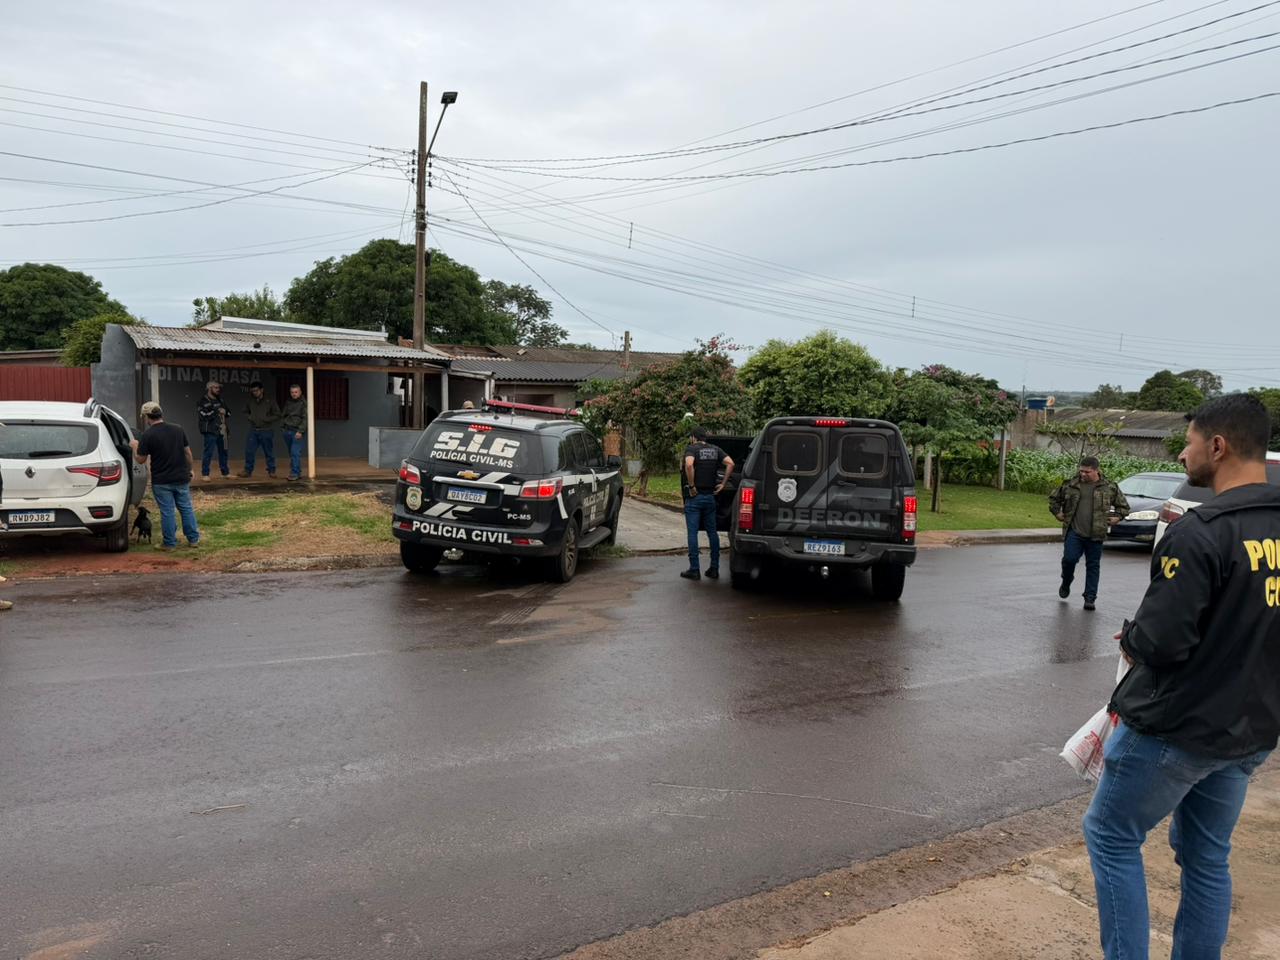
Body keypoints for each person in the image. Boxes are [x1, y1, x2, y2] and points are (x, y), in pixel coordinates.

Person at [1083, 394, 1279, 960]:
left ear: (1217, 446)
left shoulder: (1201, 532)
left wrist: (1133, 638)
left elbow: (1163, 643)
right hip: (1249, 732)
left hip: (1179, 730)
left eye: (1189, 442)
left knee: (1111, 835)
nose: (1183, 454)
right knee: (1207, 856)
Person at [1048, 456, 1129, 610]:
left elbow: (1124, 507)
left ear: (1096, 470)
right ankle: (1066, 581)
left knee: (1093, 566)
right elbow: (1053, 499)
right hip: (1074, 532)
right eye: (1081, 471)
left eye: (1087, 472)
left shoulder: (1109, 487)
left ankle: (1090, 598)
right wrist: (1057, 513)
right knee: (1069, 560)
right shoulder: (1071, 485)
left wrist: (1117, 517)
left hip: (1096, 534)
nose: (1083, 474)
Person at [131, 402, 200, 550]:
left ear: (146, 417)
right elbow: (188, 453)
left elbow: (141, 459)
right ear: (161, 413)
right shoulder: (178, 429)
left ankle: (169, 543)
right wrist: (190, 469)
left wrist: (135, 447)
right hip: (181, 477)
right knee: (186, 508)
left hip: (161, 481)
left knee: (167, 511)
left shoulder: (148, 435)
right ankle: (193, 539)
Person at [680, 425, 733, 581]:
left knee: (692, 533)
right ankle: (714, 568)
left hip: (695, 497)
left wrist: (692, 486)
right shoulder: (715, 449)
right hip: (710, 497)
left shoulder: (692, 449)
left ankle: (694, 569)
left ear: (693, 437)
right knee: (712, 532)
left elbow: (689, 464)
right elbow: (730, 463)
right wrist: (723, 484)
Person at [239, 380, 281, 478]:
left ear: (262, 390)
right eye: (253, 391)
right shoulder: (250, 401)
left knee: (268, 452)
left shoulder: (270, 401)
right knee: (249, 451)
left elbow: (278, 414)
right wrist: (250, 417)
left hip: (266, 430)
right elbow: (244, 411)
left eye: (256, 390)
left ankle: (271, 470)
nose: (255, 392)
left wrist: (267, 419)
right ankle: (247, 471)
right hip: (253, 430)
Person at [196, 381, 231, 481]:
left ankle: (225, 473)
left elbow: (229, 413)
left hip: (222, 430)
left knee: (224, 452)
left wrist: (225, 412)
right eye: (215, 387)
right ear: (209, 388)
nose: (218, 389)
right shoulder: (202, 401)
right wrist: (216, 411)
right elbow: (203, 416)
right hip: (210, 431)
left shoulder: (221, 400)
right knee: (208, 452)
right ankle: (205, 474)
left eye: (218, 387)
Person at [281, 384, 308, 482]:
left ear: (300, 392)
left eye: (296, 392)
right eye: (292, 392)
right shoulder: (288, 402)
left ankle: (294, 473)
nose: (294, 394)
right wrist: (283, 427)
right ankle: (297, 472)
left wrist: (300, 431)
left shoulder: (303, 403)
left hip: (297, 431)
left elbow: (305, 418)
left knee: (295, 452)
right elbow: (284, 414)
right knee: (292, 453)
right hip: (287, 430)